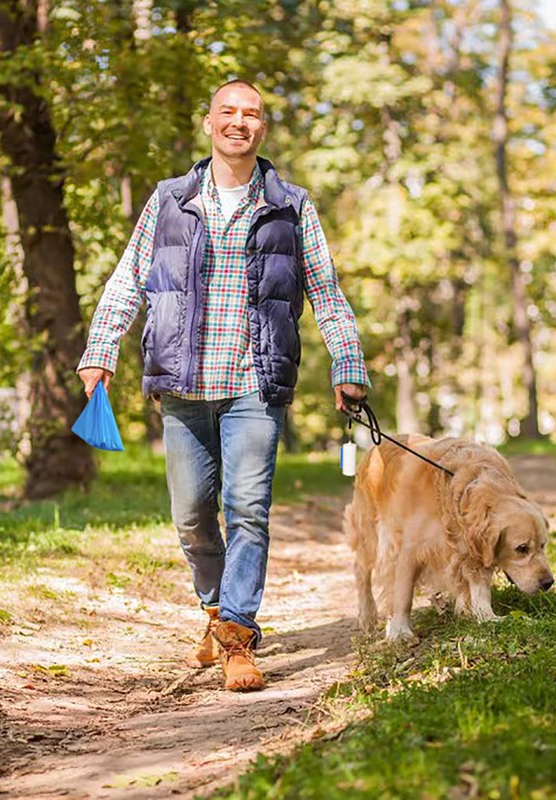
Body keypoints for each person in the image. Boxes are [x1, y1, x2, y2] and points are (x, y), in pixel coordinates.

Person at [78, 79, 369, 692]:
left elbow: (325, 292)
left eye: (252, 115)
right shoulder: (169, 199)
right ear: (208, 123)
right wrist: (100, 350)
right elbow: (127, 280)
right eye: (228, 113)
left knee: (248, 510)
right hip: (183, 383)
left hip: (254, 385)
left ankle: (238, 634)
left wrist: (348, 364)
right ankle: (214, 610)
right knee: (190, 518)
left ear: (261, 129)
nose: (240, 122)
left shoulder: (292, 206)